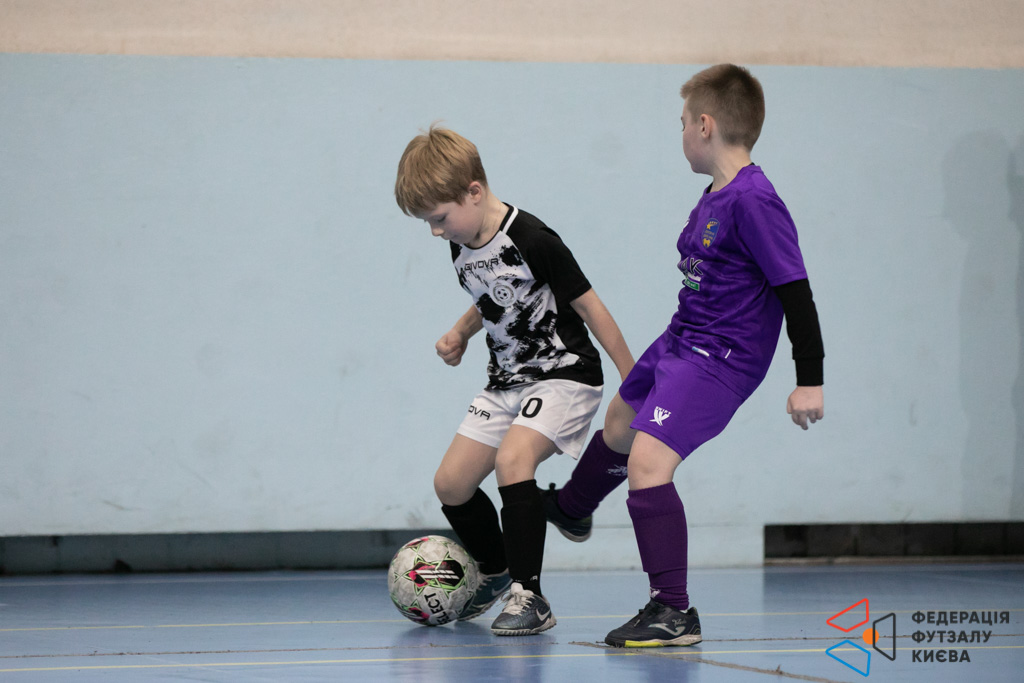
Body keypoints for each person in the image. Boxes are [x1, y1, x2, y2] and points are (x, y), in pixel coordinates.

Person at [540, 64, 826, 647]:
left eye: (682, 123)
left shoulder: (756, 201)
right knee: (619, 422)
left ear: (705, 125)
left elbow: (796, 292)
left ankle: (673, 612)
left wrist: (809, 380)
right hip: (682, 337)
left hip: (721, 357)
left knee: (648, 463)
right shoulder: (716, 194)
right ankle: (572, 508)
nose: (680, 134)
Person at [393, 125, 634, 636]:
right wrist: (460, 332)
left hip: (564, 373)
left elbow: (590, 306)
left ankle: (531, 596)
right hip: (507, 381)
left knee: (512, 460)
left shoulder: (533, 238)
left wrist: (631, 375)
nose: (435, 231)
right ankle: (498, 569)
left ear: (474, 192)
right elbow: (493, 296)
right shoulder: (461, 242)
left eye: (439, 218)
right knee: (451, 484)